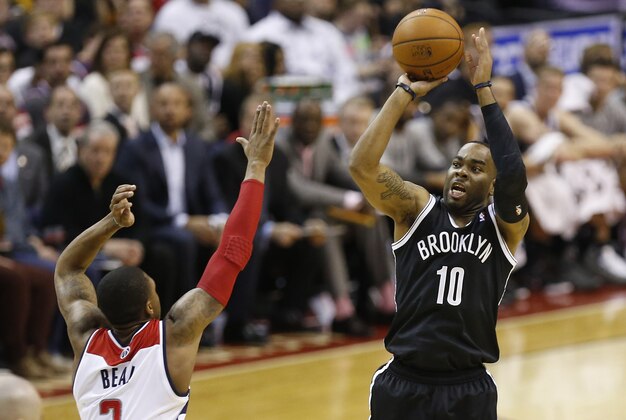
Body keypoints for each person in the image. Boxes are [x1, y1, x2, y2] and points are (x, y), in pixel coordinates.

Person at [55, 101, 279, 418]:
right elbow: (234, 251)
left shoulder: (84, 337)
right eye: (154, 290)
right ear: (149, 306)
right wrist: (257, 165)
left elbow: (68, 270)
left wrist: (111, 223)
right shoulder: (173, 336)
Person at [350, 28, 529, 419]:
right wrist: (403, 93)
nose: (461, 173)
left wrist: (482, 86)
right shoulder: (416, 209)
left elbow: (515, 174)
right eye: (456, 164)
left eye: (476, 168)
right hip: (402, 383)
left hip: (469, 388)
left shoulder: (503, 228)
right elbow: (361, 166)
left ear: (493, 184)